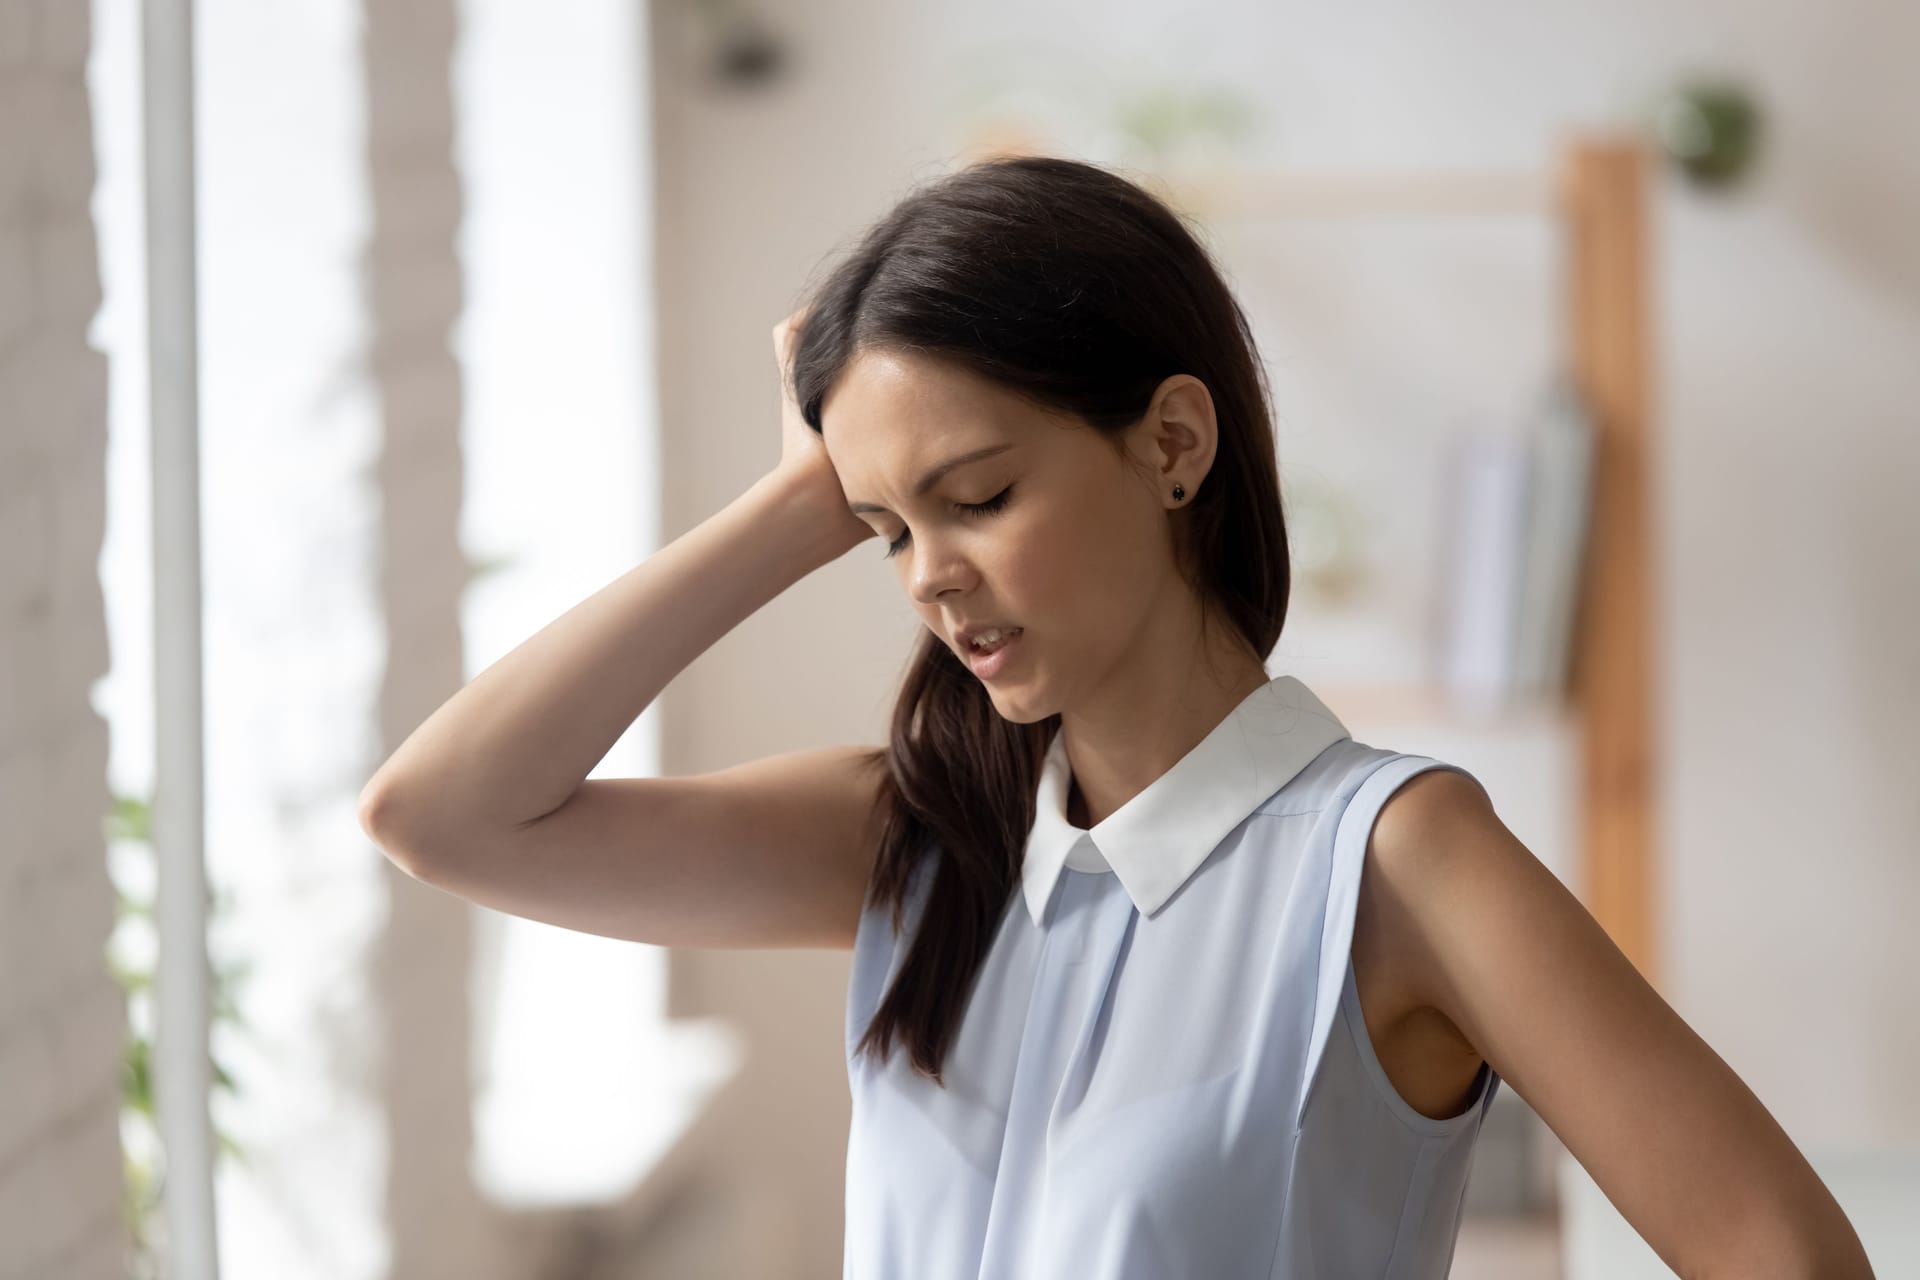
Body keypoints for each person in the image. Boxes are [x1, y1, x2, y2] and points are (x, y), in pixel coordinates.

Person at [359, 155, 1873, 1279]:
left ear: (1172, 442)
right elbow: (440, 816)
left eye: (981, 496)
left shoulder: (1398, 859)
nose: (931, 581)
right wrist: (789, 507)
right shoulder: (918, 841)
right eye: (888, 531)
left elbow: (1789, 1260)